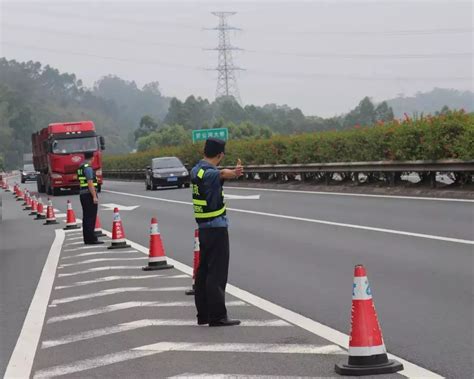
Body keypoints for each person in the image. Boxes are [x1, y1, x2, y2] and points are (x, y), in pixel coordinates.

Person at [191, 138, 243, 327]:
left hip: (204, 228)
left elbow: (217, 174)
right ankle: (217, 316)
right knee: (217, 273)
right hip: (216, 228)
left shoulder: (196, 170)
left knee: (203, 271)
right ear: (220, 155)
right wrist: (235, 173)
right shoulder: (211, 173)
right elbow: (221, 173)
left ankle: (203, 315)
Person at [77, 152, 103, 245]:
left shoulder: (81, 167)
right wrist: (94, 196)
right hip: (89, 194)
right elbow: (90, 183)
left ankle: (87, 238)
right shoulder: (88, 168)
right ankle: (91, 239)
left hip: (83, 194)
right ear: (92, 158)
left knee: (86, 217)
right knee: (91, 217)